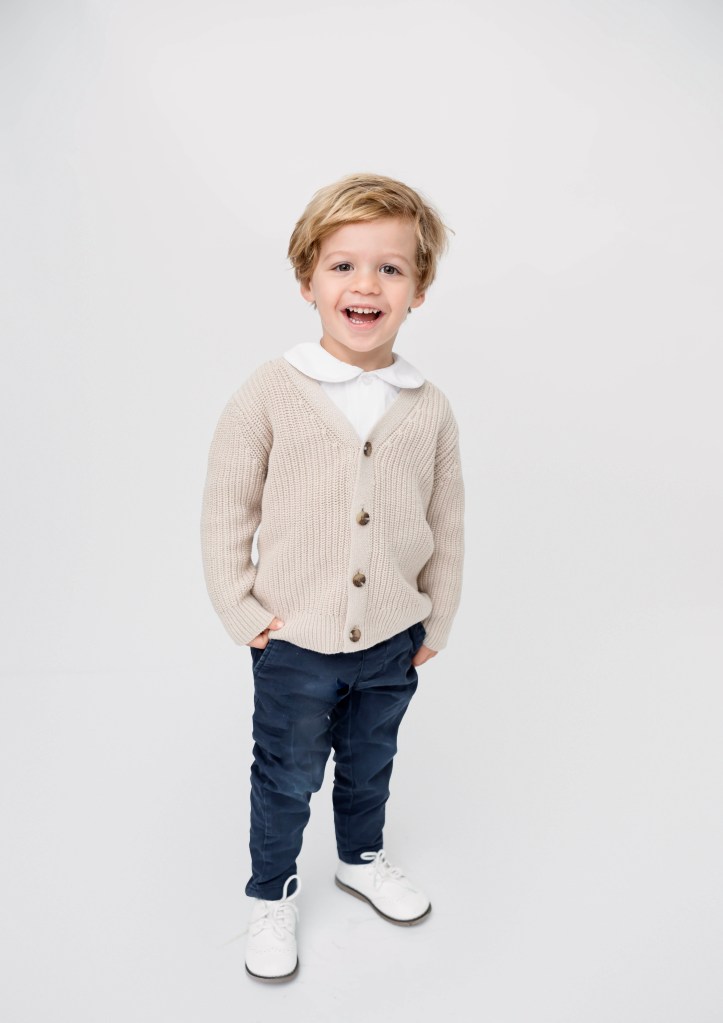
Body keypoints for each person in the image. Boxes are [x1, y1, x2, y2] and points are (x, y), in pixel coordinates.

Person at [200, 172, 465, 982]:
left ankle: (359, 857)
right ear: (307, 279)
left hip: (391, 637)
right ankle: (271, 891)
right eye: (343, 265)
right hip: (295, 639)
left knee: (370, 759)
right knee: (285, 775)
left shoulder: (427, 406)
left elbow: (447, 522)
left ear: (418, 289)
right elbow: (226, 507)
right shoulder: (270, 391)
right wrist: (242, 611)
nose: (366, 285)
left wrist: (435, 619)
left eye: (390, 268)